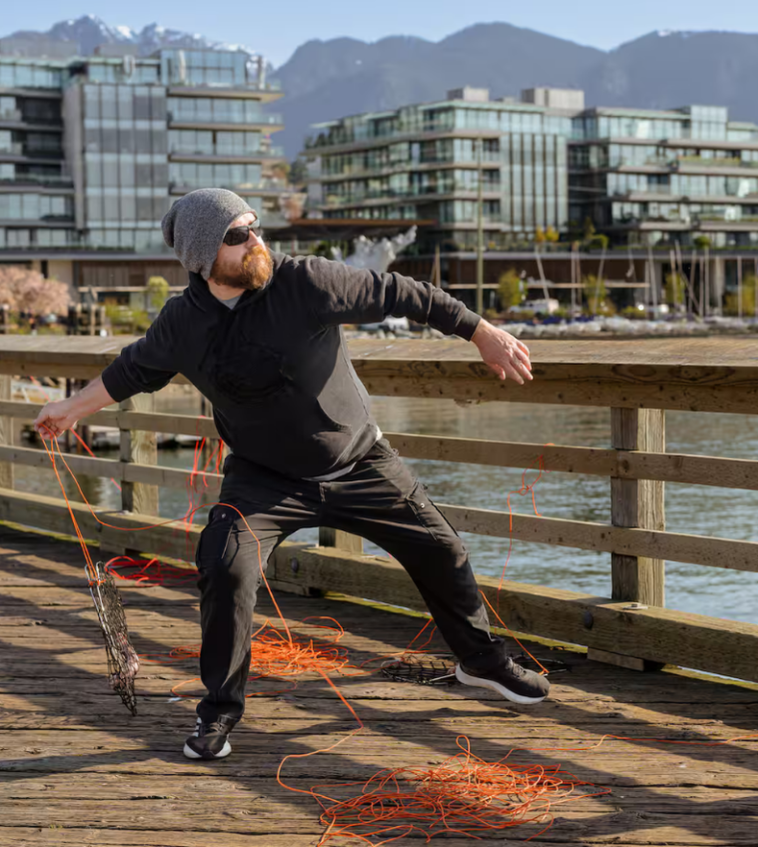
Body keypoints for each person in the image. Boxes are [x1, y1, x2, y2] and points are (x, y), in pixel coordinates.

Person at [34, 188, 547, 762]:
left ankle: (480, 663)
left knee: (444, 551)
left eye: (255, 227)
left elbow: (406, 294)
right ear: (205, 257)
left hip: (360, 463)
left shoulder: (307, 281)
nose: (256, 240)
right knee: (225, 566)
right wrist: (68, 409)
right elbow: (133, 370)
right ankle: (219, 711)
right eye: (238, 234)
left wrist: (483, 332)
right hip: (264, 480)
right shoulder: (183, 321)